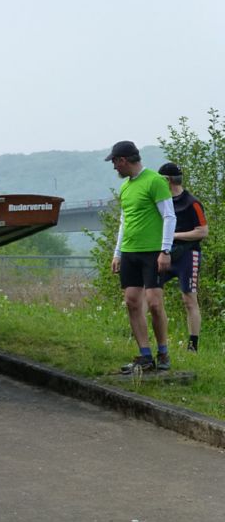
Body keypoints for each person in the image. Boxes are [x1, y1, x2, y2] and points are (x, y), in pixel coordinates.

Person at [106, 141, 176, 374]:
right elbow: (124, 221)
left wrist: (165, 250)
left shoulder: (155, 181)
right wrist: (117, 253)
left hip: (153, 252)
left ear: (123, 160)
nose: (114, 168)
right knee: (132, 302)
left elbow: (169, 216)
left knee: (155, 303)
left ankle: (163, 351)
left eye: (115, 162)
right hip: (130, 252)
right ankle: (145, 356)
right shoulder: (126, 187)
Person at [157, 162, 208, 352]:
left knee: (189, 299)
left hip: (188, 255)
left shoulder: (192, 202)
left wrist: (174, 236)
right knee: (151, 292)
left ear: (167, 180)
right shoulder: (162, 201)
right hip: (165, 254)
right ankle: (156, 340)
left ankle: (192, 346)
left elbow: (202, 231)